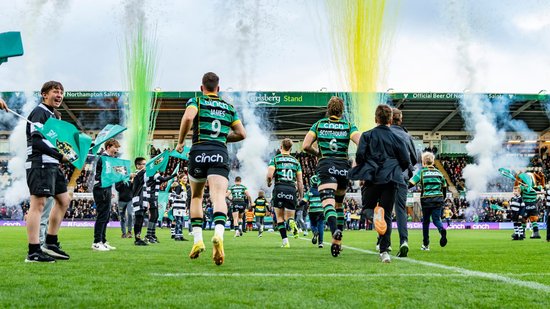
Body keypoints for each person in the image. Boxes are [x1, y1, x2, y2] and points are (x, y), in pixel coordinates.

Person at [176, 72, 246, 266]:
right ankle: (218, 235)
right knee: (219, 197)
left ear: (201, 87)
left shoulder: (196, 101)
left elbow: (188, 118)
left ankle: (198, 240)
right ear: (218, 88)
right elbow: (242, 133)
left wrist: (181, 142)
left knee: (196, 196)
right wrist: (223, 137)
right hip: (219, 153)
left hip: (198, 151)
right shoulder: (229, 108)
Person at [349, 104, 410, 263]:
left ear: (376, 119)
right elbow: (405, 161)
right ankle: (384, 252)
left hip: (372, 178)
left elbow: (360, 157)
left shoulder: (367, 136)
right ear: (390, 119)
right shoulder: (398, 138)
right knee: (387, 215)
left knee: (367, 209)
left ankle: (375, 217)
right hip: (392, 179)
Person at [302, 96, 359, 257]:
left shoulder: (319, 125)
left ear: (328, 109)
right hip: (343, 167)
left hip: (326, 165)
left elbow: (305, 145)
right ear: (342, 111)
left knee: (328, 203)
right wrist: (356, 160)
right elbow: (361, 142)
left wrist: (317, 152)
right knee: (339, 205)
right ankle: (338, 241)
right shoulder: (349, 125)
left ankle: (335, 232)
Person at [24, 81, 71, 262]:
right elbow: (37, 141)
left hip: (52, 164)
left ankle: (50, 242)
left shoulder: (53, 115)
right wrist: (61, 156)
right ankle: (33, 251)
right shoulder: (39, 112)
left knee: (64, 200)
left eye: (61, 92)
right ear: (44, 94)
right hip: (40, 163)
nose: (59, 95)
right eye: (55, 91)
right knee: (38, 205)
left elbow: (56, 142)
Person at [390, 108, 418, 257]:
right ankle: (404, 241)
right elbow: (413, 159)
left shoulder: (384, 134)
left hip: (386, 177)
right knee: (400, 210)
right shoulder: (407, 136)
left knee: (386, 210)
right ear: (400, 119)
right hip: (402, 177)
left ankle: (384, 243)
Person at [267, 138, 304, 248]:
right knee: (289, 217)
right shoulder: (296, 162)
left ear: (280, 147)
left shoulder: (275, 159)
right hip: (291, 189)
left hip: (279, 187)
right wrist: (301, 196)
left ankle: (285, 241)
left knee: (279, 218)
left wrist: (269, 183)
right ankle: (292, 222)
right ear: (291, 149)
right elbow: (300, 181)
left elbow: (269, 175)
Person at [409, 152, 448, 251]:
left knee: (426, 222)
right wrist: (442, 199)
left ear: (423, 162)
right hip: (438, 199)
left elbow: (411, 183)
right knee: (436, 220)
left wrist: (402, 186)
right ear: (433, 162)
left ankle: (426, 244)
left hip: (426, 200)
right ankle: (441, 229)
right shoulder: (439, 172)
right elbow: (444, 187)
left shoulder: (422, 172)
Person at [92, 138, 121, 251]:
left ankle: (102, 241)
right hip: (101, 188)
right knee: (102, 215)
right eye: (115, 147)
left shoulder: (108, 159)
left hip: (105, 187)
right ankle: (96, 242)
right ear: (108, 147)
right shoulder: (104, 158)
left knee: (106, 216)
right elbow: (103, 175)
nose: (117, 150)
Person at [144, 169, 178, 243]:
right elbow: (164, 179)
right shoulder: (154, 174)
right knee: (154, 215)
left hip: (154, 197)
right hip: (152, 197)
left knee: (156, 215)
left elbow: (162, 180)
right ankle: (148, 235)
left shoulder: (152, 175)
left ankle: (152, 234)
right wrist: (174, 175)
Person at [302, 175, 325, 248]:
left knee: (313, 225)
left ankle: (315, 232)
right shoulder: (322, 191)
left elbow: (304, 201)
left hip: (312, 211)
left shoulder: (309, 191)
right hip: (321, 210)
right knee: (321, 225)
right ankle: (320, 243)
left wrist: (297, 205)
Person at [131, 157, 148, 246]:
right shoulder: (138, 174)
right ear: (138, 166)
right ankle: (137, 239)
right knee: (138, 218)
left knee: (140, 219)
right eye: (143, 164)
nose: (145, 166)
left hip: (143, 199)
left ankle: (139, 237)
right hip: (138, 199)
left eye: (145, 164)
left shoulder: (140, 174)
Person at [115, 172, 134, 238]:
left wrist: (132, 182)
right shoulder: (118, 180)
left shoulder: (130, 179)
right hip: (121, 201)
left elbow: (133, 189)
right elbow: (117, 188)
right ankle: (123, 233)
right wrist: (122, 182)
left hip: (130, 200)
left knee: (130, 214)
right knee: (122, 217)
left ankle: (129, 232)